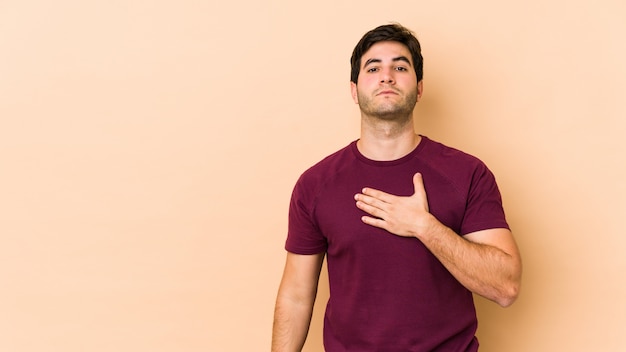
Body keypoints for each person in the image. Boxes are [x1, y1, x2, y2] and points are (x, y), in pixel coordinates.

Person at [272, 23, 522, 352]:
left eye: (400, 67)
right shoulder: (316, 184)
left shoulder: (467, 173)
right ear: (354, 89)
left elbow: (505, 287)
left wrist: (424, 226)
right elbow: (295, 296)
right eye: (373, 68)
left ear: (419, 88)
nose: (386, 76)